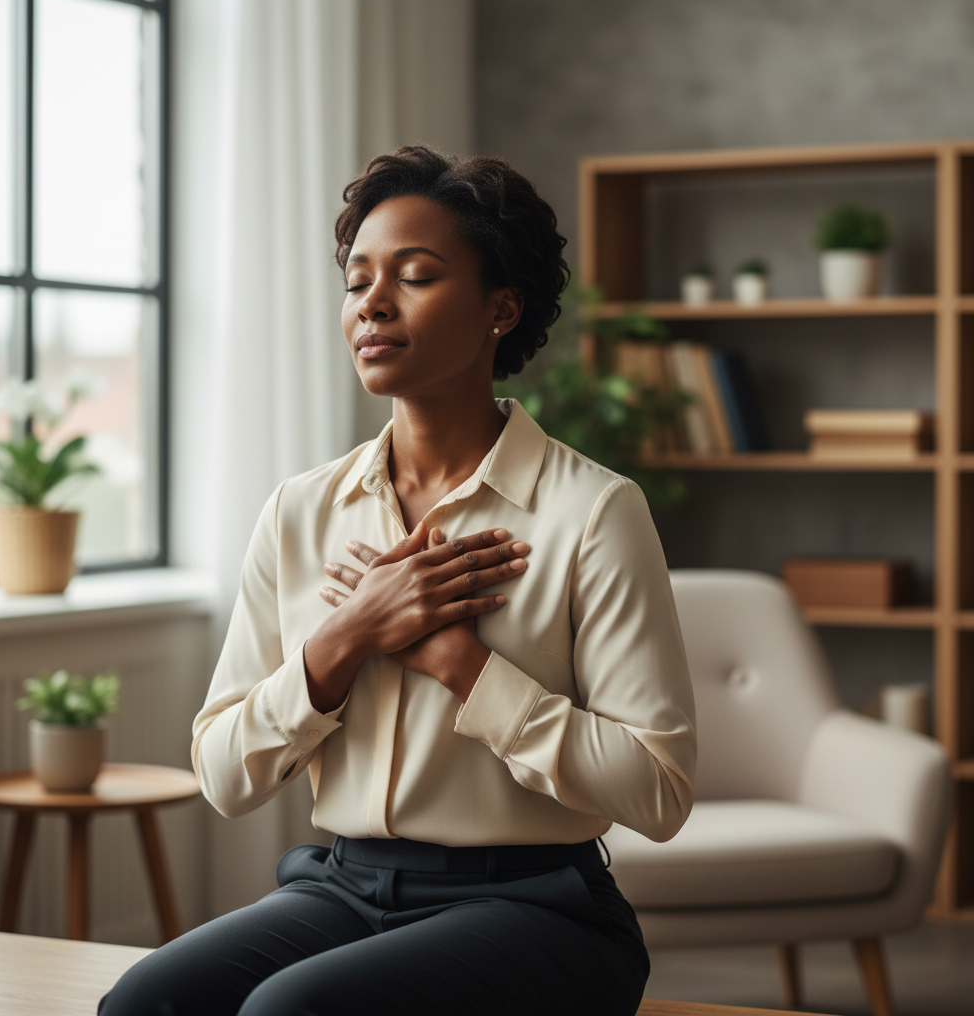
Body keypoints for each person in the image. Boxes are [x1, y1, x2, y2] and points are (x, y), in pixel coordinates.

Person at [100, 146, 695, 1016]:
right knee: (146, 1003)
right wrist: (346, 638)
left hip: (539, 905)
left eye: (414, 276)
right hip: (342, 888)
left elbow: (659, 791)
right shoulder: (300, 511)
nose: (372, 303)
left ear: (501, 308)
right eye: (357, 282)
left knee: (290, 1012)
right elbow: (225, 777)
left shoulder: (595, 511)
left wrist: (463, 664)